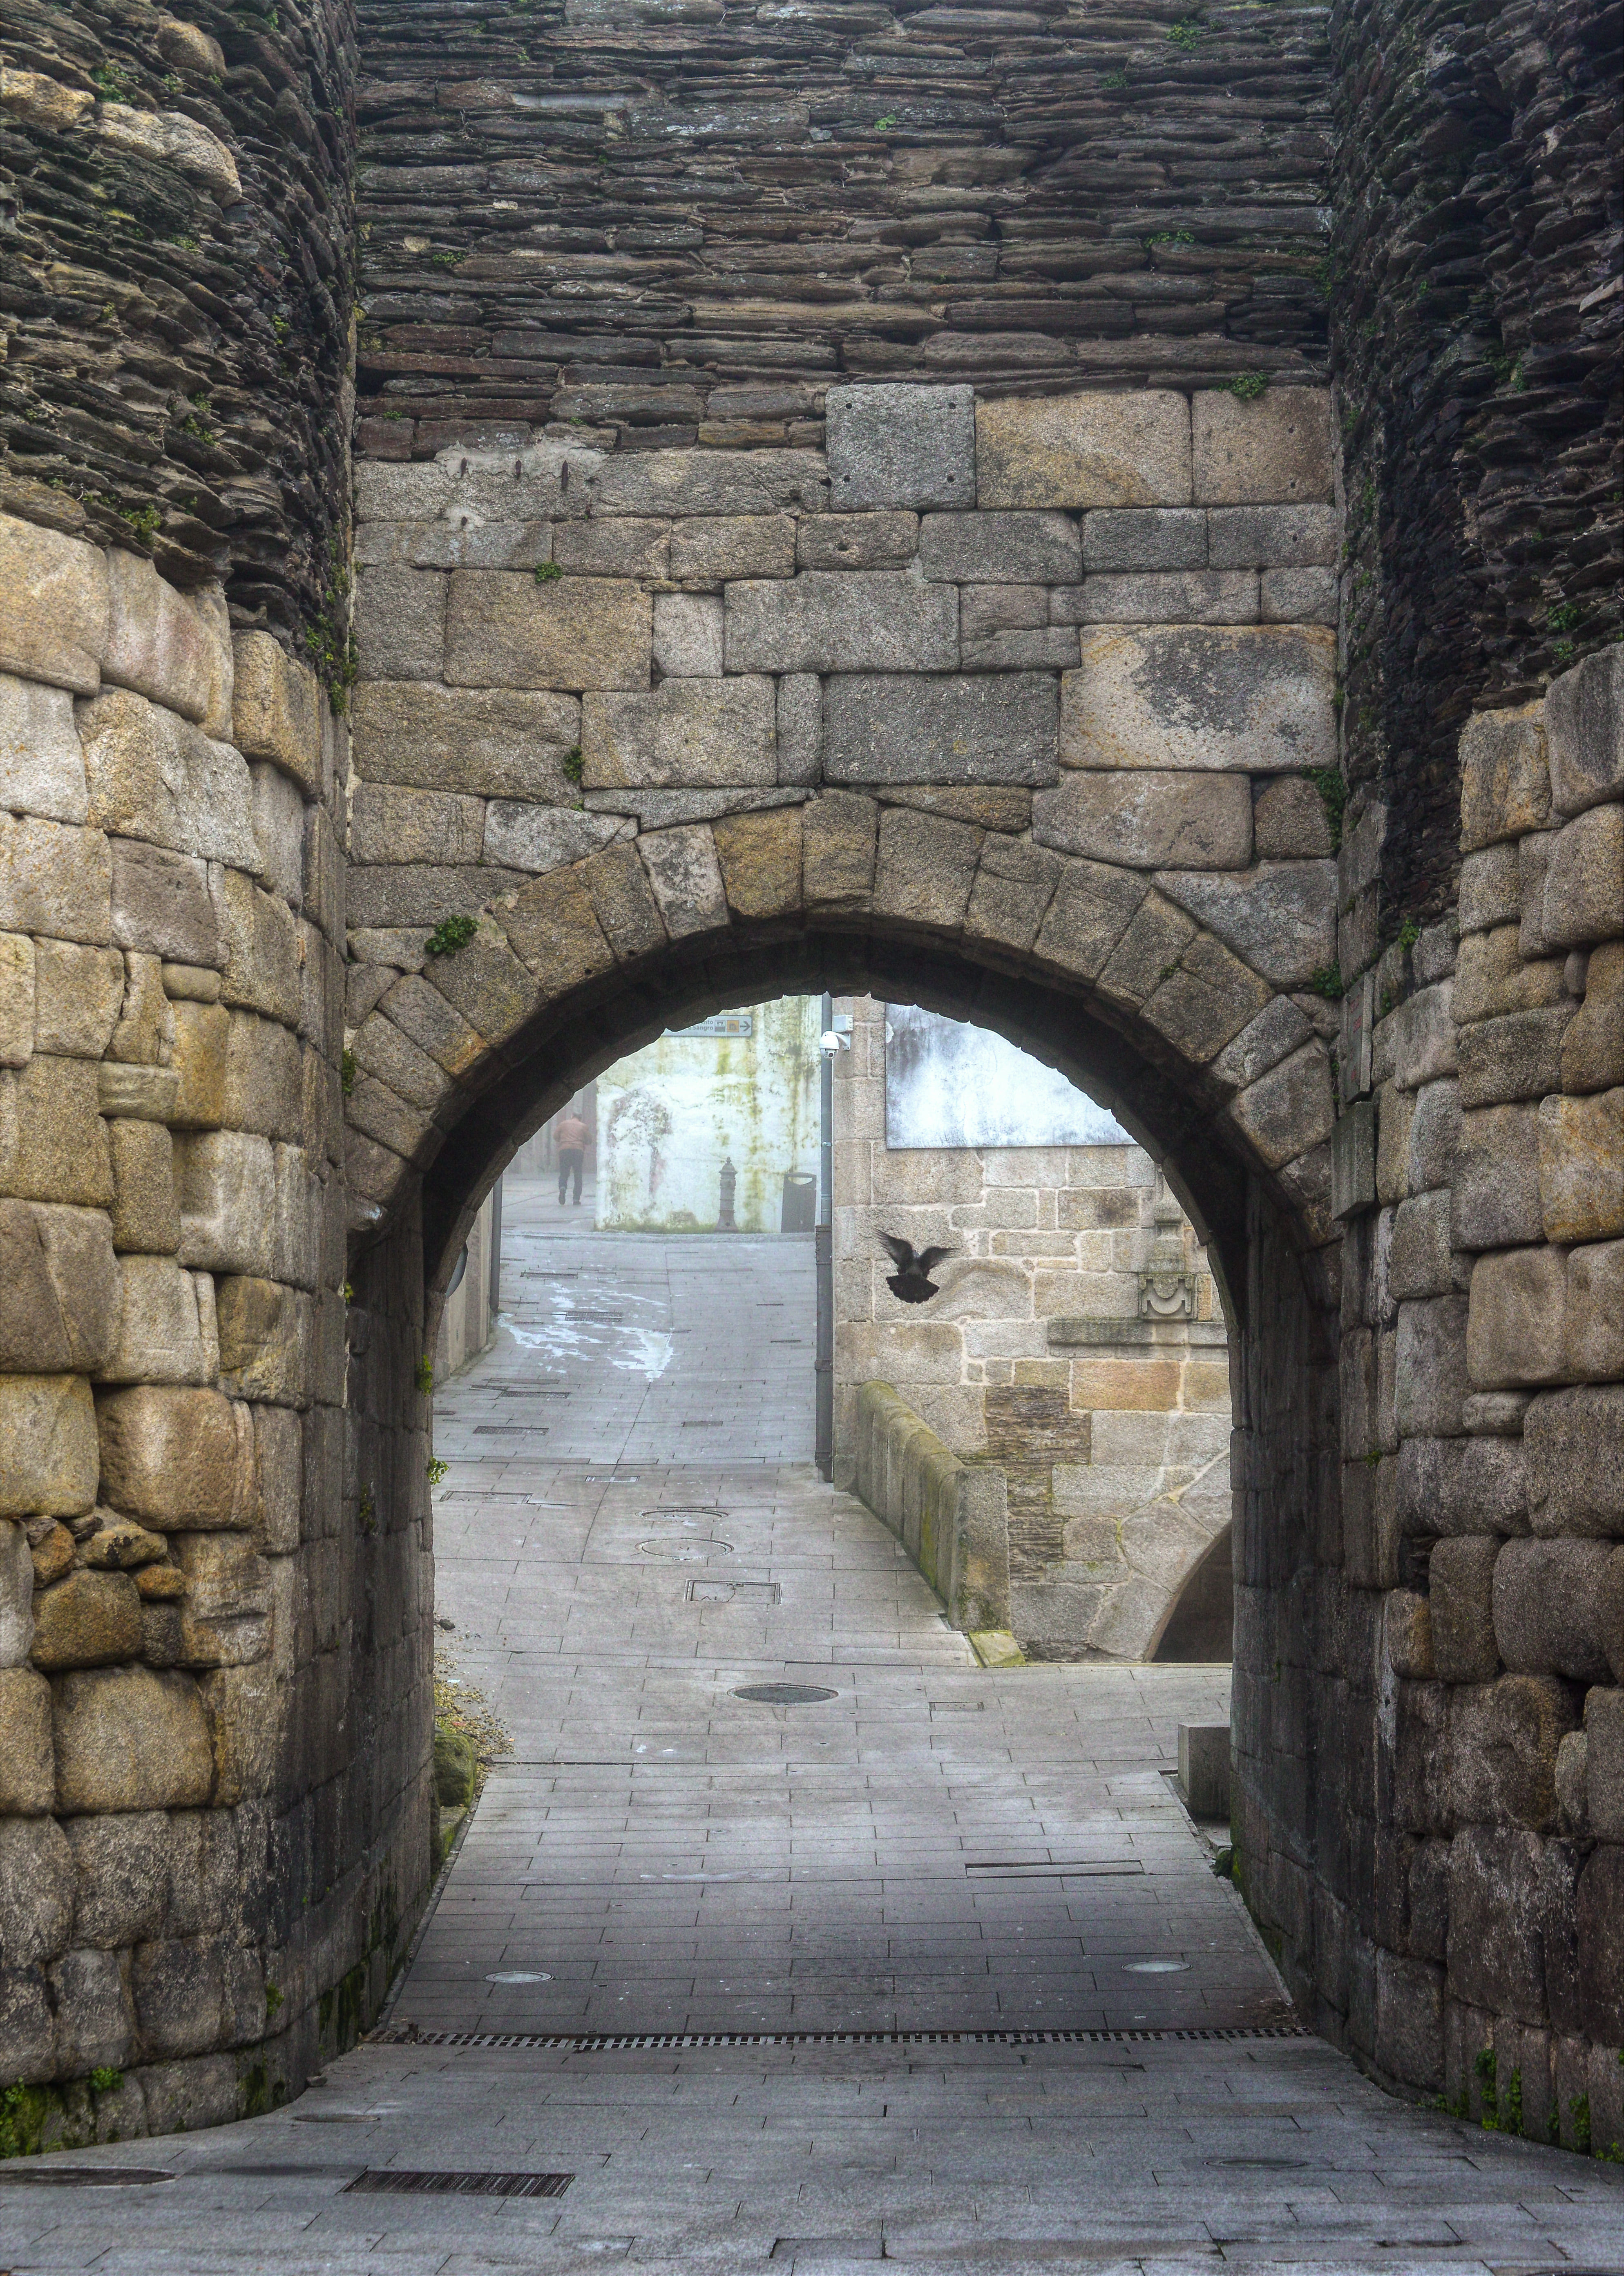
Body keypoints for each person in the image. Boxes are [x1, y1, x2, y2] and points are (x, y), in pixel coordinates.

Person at [554, 1107, 589, 1206]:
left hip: (564, 1150)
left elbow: (556, 1136)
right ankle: (576, 1199)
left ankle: (563, 1187)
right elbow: (589, 1140)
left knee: (564, 1172)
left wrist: (564, 1141)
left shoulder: (563, 1124)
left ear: (572, 1116)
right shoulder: (583, 1126)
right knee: (578, 1174)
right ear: (580, 1118)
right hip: (578, 1151)